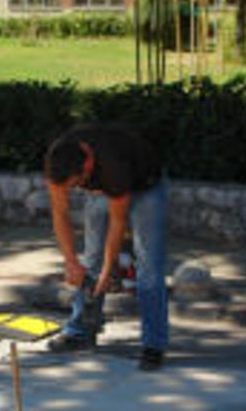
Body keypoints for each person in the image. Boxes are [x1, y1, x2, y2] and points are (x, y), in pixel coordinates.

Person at [43, 125, 168, 371]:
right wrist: (70, 261)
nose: (72, 189)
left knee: (148, 265)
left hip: (145, 186)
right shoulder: (57, 161)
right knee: (89, 259)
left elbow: (118, 222)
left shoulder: (114, 164)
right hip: (103, 188)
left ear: (87, 165)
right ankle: (79, 331)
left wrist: (108, 271)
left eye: (76, 184)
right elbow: (60, 213)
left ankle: (153, 345)